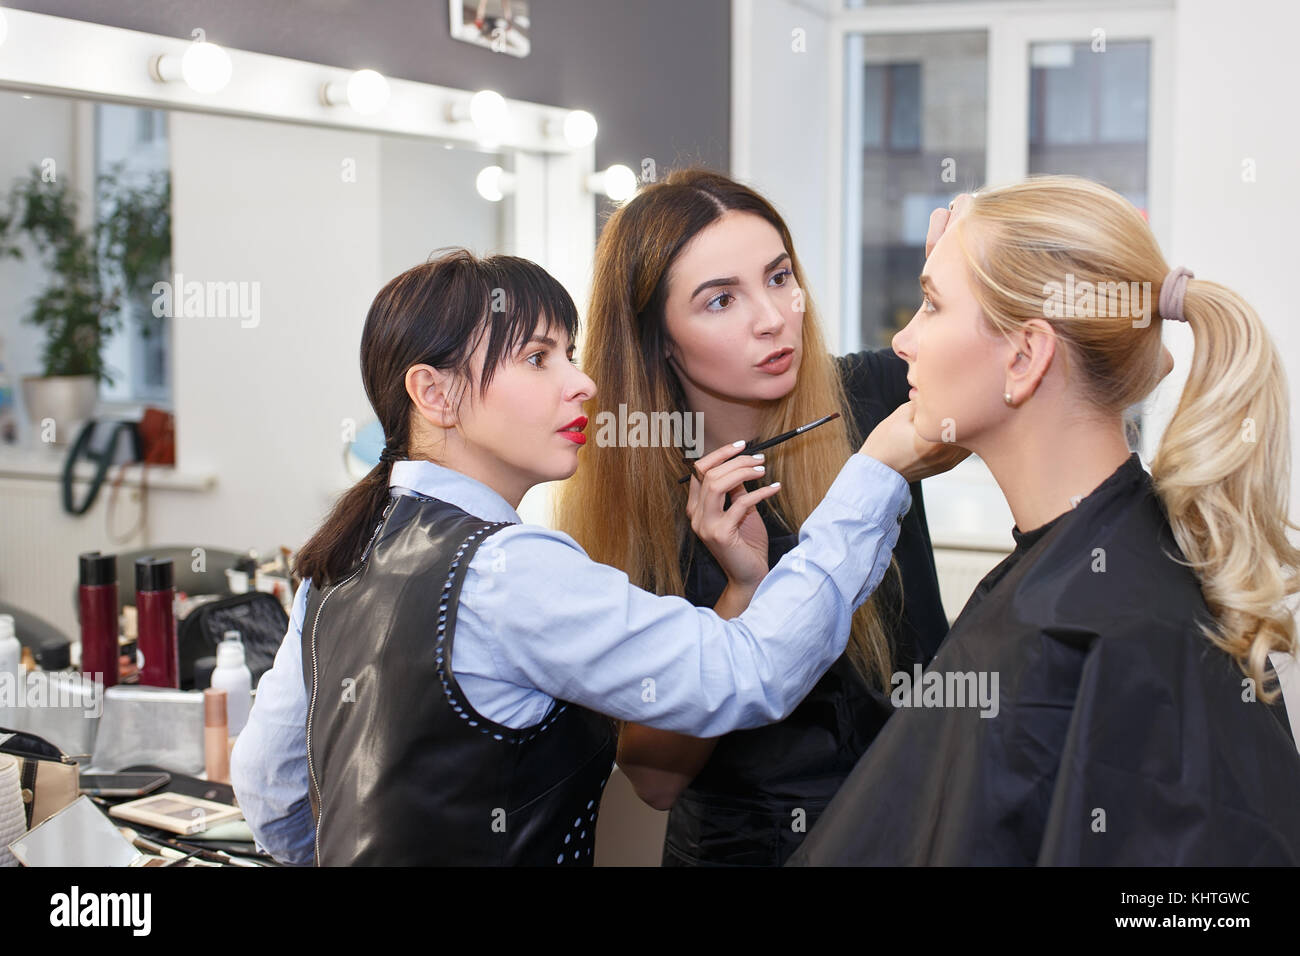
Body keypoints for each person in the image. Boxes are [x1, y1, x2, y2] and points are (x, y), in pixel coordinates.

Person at [230, 248, 937, 866]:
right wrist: (875, 471)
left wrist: (745, 582)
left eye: (570, 354)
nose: (582, 384)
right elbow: (747, 672)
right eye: (538, 358)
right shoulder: (511, 572)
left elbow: (275, 804)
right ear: (434, 393)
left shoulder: (339, 560)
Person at [788, 175, 1300, 865]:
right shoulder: (1106, 571)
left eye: (932, 305)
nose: (904, 340)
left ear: (1025, 357)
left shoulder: (1095, 626)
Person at [554, 168, 964, 865]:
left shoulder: (871, 397)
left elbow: (1061, 365)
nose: (772, 317)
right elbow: (653, 779)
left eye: (780, 278)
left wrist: (976, 272)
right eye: (720, 300)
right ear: (658, 337)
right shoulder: (633, 504)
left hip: (917, 833)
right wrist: (739, 597)